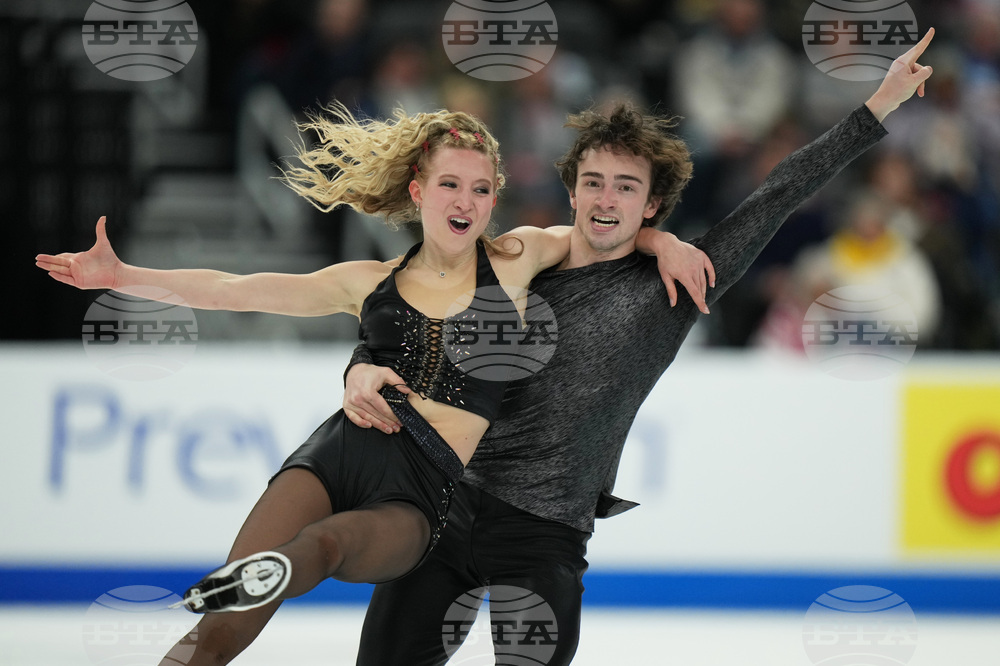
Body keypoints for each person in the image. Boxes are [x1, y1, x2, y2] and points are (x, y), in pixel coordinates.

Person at [34, 104, 710, 665]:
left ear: (494, 201)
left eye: (481, 190)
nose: (466, 201)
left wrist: (666, 243)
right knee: (213, 641)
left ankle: (272, 571)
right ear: (419, 191)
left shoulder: (519, 256)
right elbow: (235, 289)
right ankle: (251, 584)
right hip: (340, 451)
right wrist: (122, 278)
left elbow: (604, 231)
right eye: (450, 185)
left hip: (423, 484)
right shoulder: (365, 282)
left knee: (328, 547)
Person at [345, 29, 936, 666]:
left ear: (652, 204)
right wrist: (360, 366)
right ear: (571, 191)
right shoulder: (515, 260)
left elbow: (778, 194)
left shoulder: (677, 286)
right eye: (593, 183)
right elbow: (402, 305)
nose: (605, 199)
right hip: (448, 506)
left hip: (546, 534)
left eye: (625, 187)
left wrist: (879, 105)